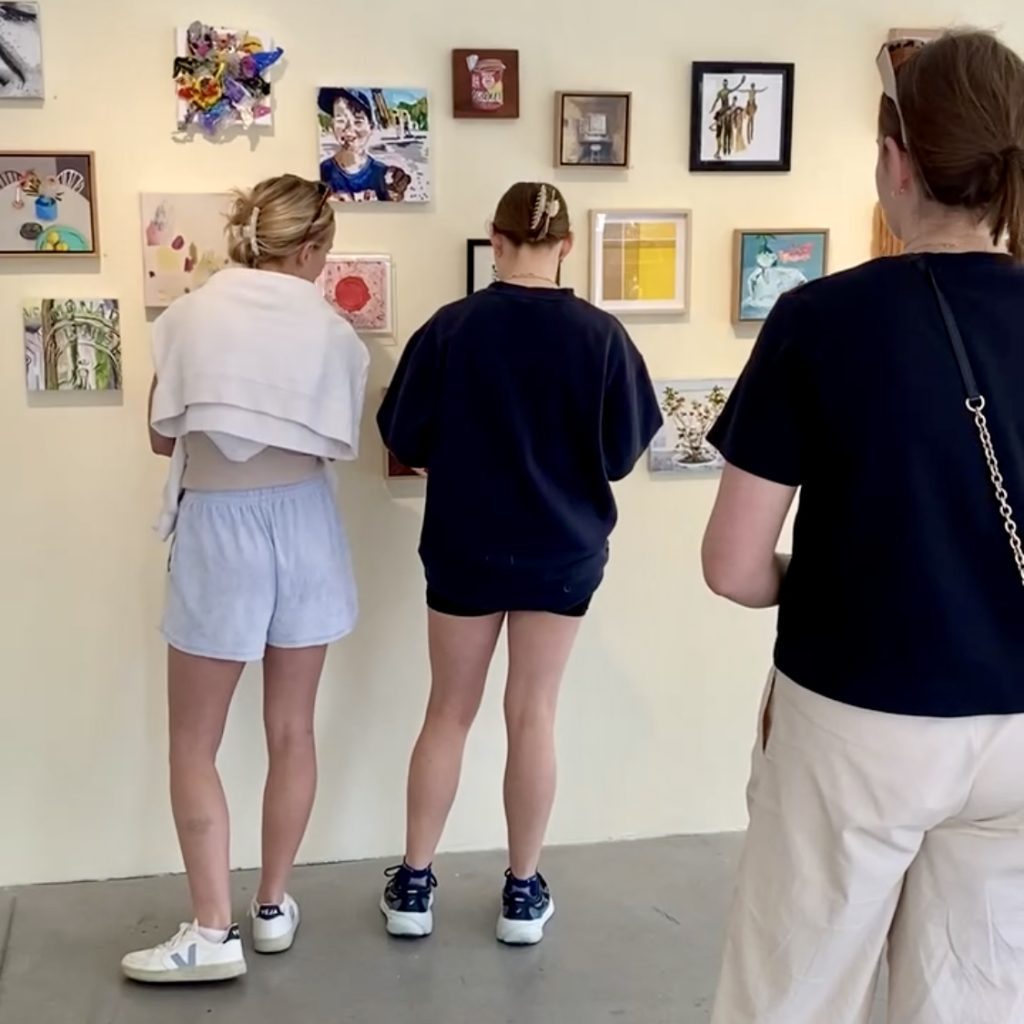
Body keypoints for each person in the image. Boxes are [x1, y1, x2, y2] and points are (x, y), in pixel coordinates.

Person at [701, 31, 1024, 1023]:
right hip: (1015, 720)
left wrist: (829, 575)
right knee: (973, 995)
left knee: (794, 988)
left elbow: (731, 565)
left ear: (893, 160)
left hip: (858, 712)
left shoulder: (818, 319)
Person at [377, 182, 662, 946]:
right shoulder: (601, 337)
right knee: (532, 714)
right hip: (562, 553)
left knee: (447, 712)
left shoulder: (451, 329)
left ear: (495, 240)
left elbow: (405, 434)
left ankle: (413, 885)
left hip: (465, 546)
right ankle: (523, 892)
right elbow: (622, 452)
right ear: (567, 245)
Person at [121, 174, 369, 984]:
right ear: (310, 250)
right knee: (291, 729)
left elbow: (164, 440)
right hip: (304, 523)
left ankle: (209, 928)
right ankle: (270, 907)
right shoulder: (333, 331)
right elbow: (336, 442)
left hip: (220, 527)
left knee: (195, 741)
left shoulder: (190, 317)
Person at [317, 87, 412, 202]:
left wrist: (395, 194)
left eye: (358, 121)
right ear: (332, 126)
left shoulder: (381, 174)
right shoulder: (322, 172)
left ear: (370, 127)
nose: (348, 129)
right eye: (341, 120)